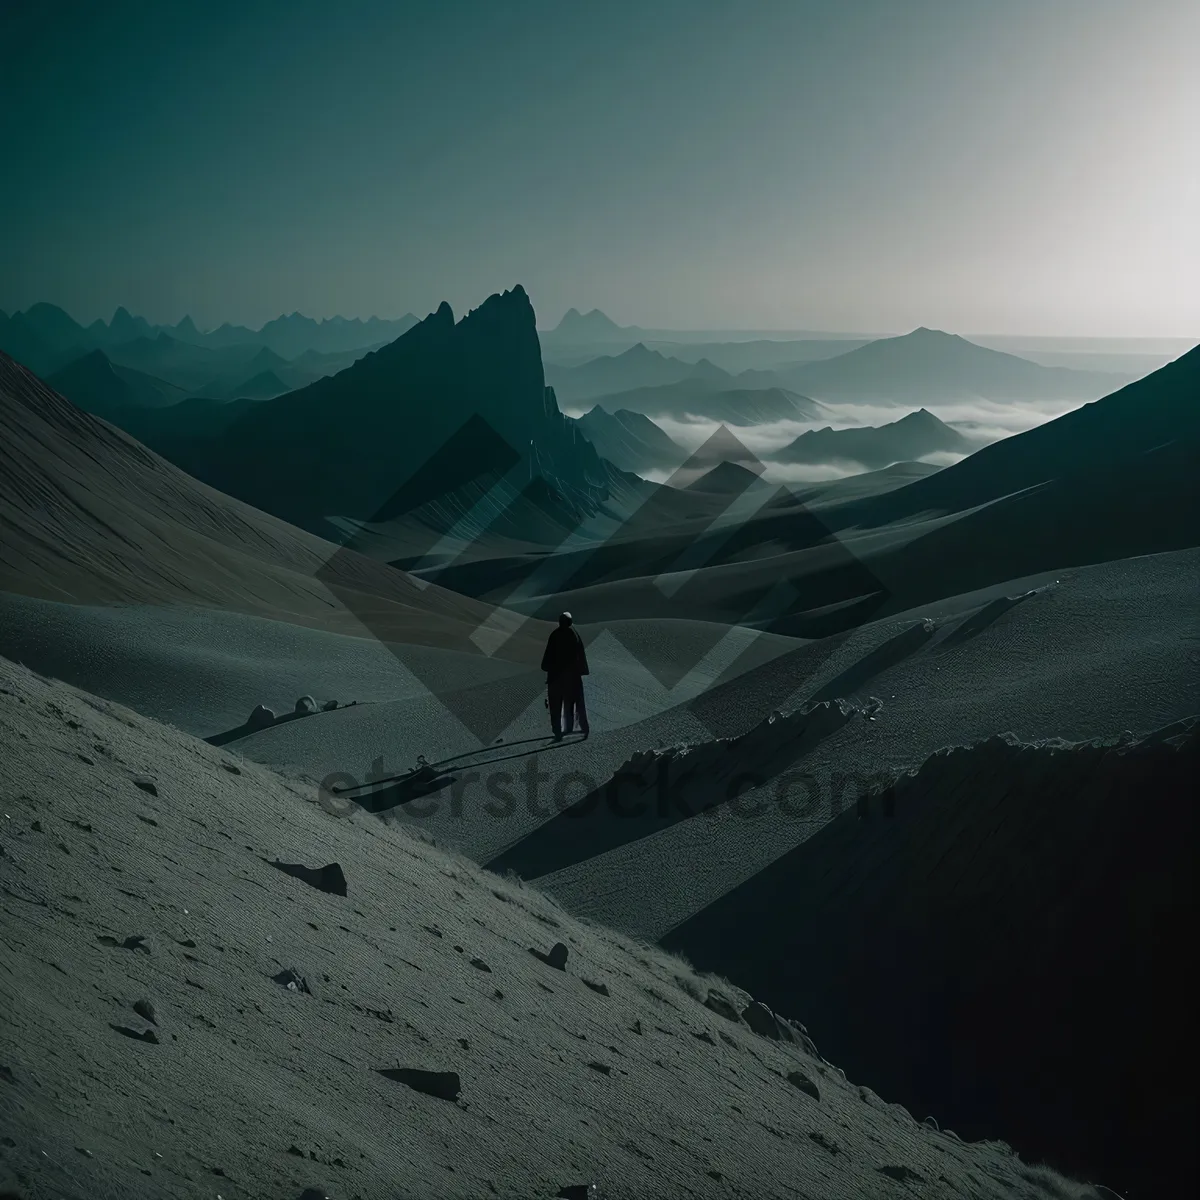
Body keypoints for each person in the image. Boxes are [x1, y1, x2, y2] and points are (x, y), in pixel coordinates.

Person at [541, 611, 589, 740]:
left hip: (556, 678)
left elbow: (546, 660)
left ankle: (558, 730)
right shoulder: (574, 635)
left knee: (556, 705)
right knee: (574, 703)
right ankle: (578, 728)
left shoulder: (555, 635)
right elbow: (580, 657)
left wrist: (548, 668)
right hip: (572, 677)